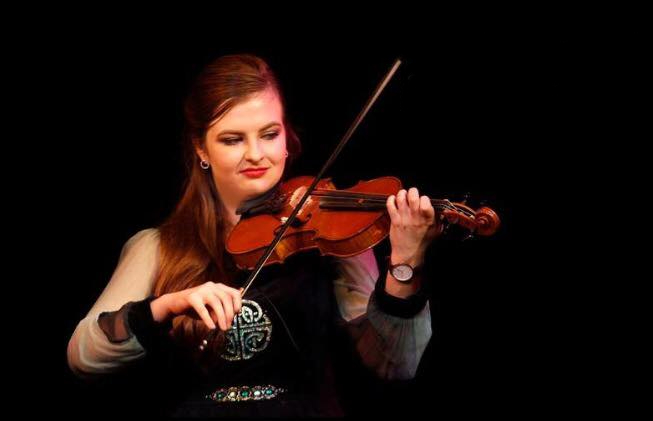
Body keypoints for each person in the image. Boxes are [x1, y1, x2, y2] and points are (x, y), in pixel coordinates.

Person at [67, 54, 440, 417]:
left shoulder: (327, 234)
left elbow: (394, 363)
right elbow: (83, 355)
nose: (256, 154)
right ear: (201, 148)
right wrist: (165, 306)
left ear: (286, 138)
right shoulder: (159, 246)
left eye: (269, 134)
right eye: (233, 139)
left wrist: (404, 265)